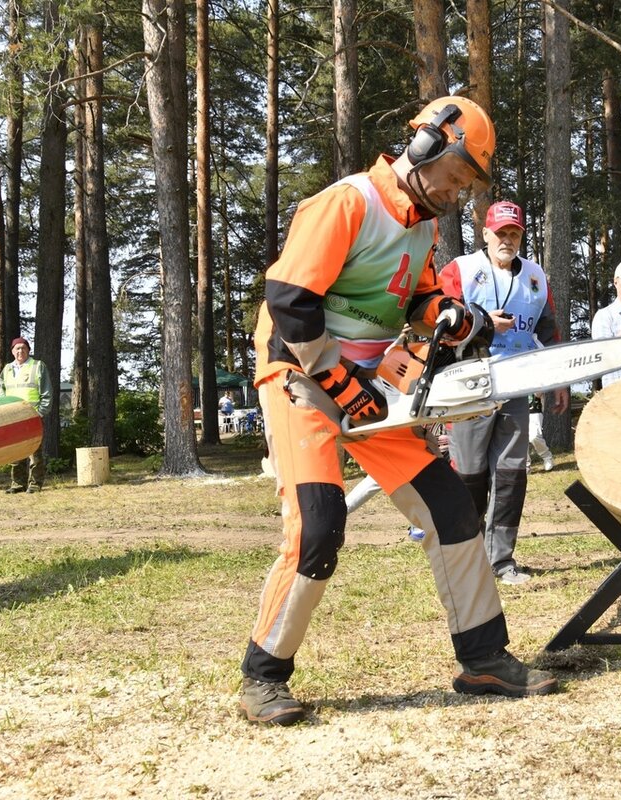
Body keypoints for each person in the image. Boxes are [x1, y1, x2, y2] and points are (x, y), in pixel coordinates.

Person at [239, 96, 557, 727]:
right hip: (299, 374)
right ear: (425, 146)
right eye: (456, 178)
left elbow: (416, 295)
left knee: (451, 509)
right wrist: (336, 381)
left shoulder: (423, 225)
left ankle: (484, 658)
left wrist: (447, 313)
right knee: (319, 525)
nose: (457, 195)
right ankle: (263, 675)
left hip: (370, 386)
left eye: (466, 186)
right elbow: (290, 299)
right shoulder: (347, 202)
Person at [440, 200, 569, 585]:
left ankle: (501, 560)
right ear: (485, 233)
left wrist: (559, 378)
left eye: (514, 233)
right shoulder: (461, 269)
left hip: (516, 383)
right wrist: (480, 324)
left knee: (512, 472)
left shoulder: (536, 276)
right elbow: (437, 320)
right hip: (469, 383)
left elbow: (548, 332)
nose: (507, 240)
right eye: (500, 233)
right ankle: (466, 558)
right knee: (469, 473)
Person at [0, 337, 53, 493]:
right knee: (15, 452)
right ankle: (17, 484)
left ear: (29, 350)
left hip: (32, 417)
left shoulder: (38, 366)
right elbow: (2, 393)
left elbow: (47, 392)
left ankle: (35, 484)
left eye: (23, 348)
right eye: (17, 348)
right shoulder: (7, 369)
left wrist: (40, 412)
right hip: (14, 418)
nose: (20, 351)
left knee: (35, 453)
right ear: (12, 351)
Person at [527, 394, 554, 472]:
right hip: (517, 411)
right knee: (520, 439)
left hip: (534, 410)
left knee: (534, 437)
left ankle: (547, 457)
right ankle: (525, 465)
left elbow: (538, 393)